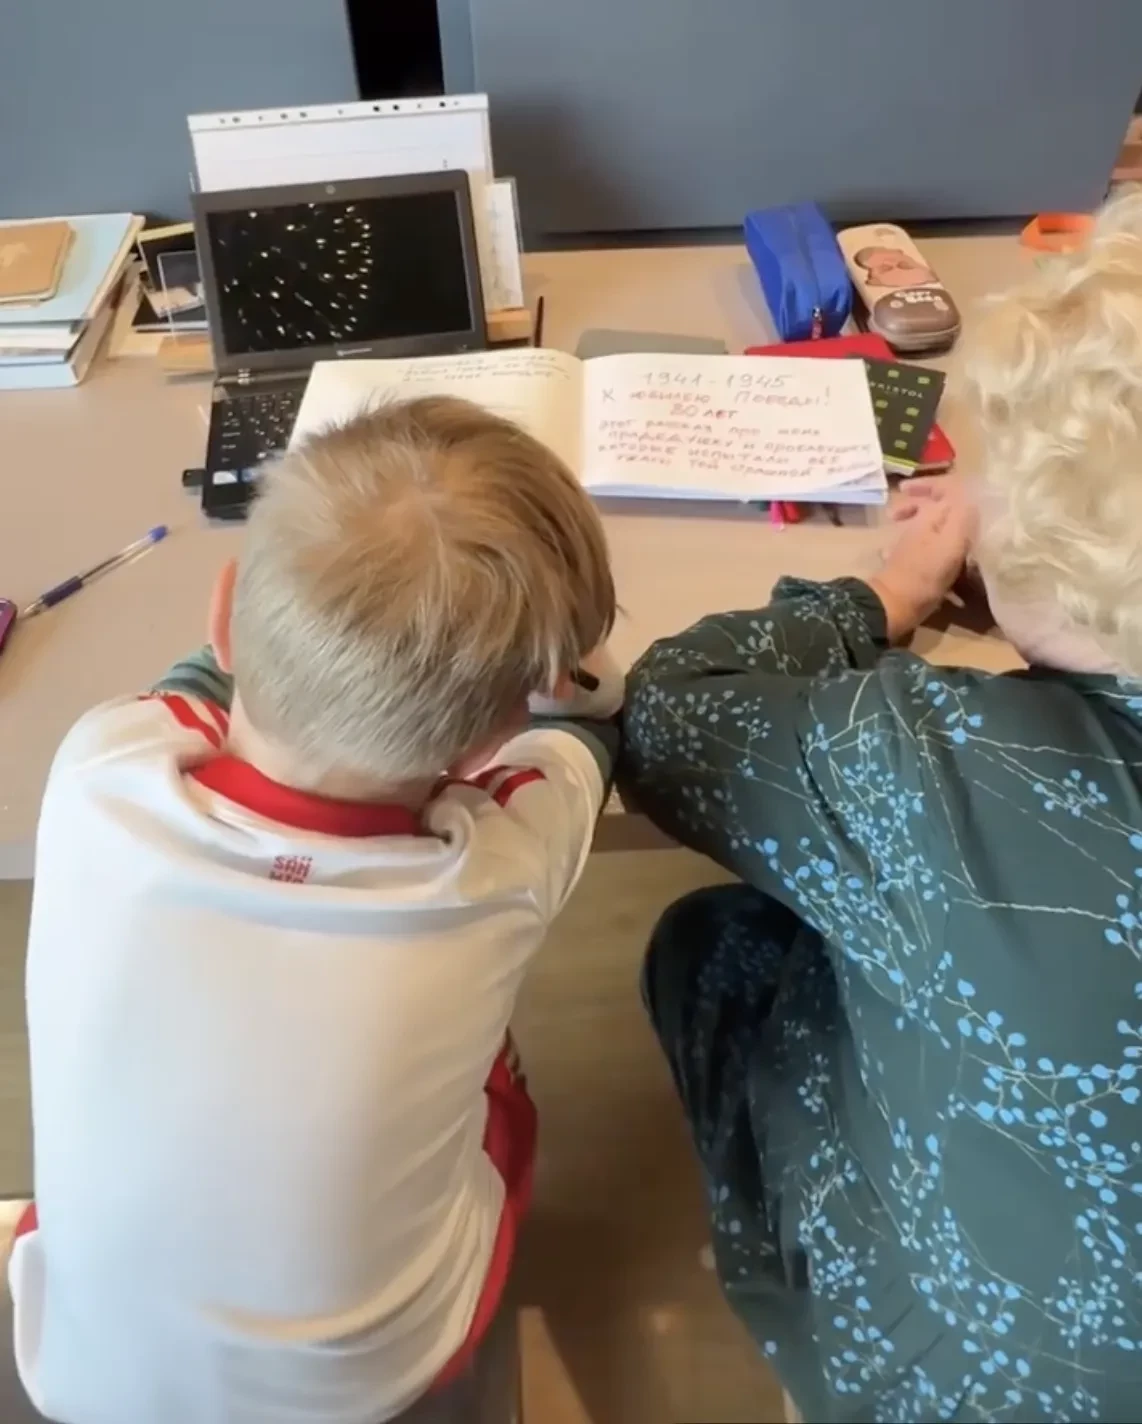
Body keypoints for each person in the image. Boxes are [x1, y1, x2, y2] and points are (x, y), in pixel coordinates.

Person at [622, 190, 1142, 1422]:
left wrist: (890, 590)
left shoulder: (925, 755)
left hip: (972, 1382)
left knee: (712, 938)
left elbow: (667, 716)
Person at [13, 397, 621, 1423]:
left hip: (78, 1369)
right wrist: (574, 692)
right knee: (484, 1068)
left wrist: (288, 624)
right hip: (367, 1386)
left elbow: (193, 683)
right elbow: (583, 739)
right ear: (487, 745)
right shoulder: (492, 873)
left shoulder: (97, 768)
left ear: (224, 611)